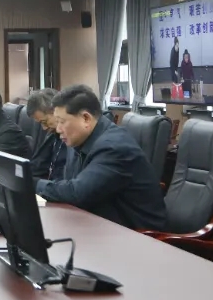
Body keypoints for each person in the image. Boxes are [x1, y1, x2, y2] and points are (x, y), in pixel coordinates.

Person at [35, 84, 166, 230]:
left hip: (136, 234)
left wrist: (33, 184)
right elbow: (69, 185)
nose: (58, 129)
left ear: (86, 118)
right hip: (98, 223)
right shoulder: (77, 141)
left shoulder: (114, 147)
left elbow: (77, 193)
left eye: (62, 121)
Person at [26, 89, 67, 180]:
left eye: (44, 122)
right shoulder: (53, 136)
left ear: (56, 111)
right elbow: (37, 167)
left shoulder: (72, 139)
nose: (44, 128)